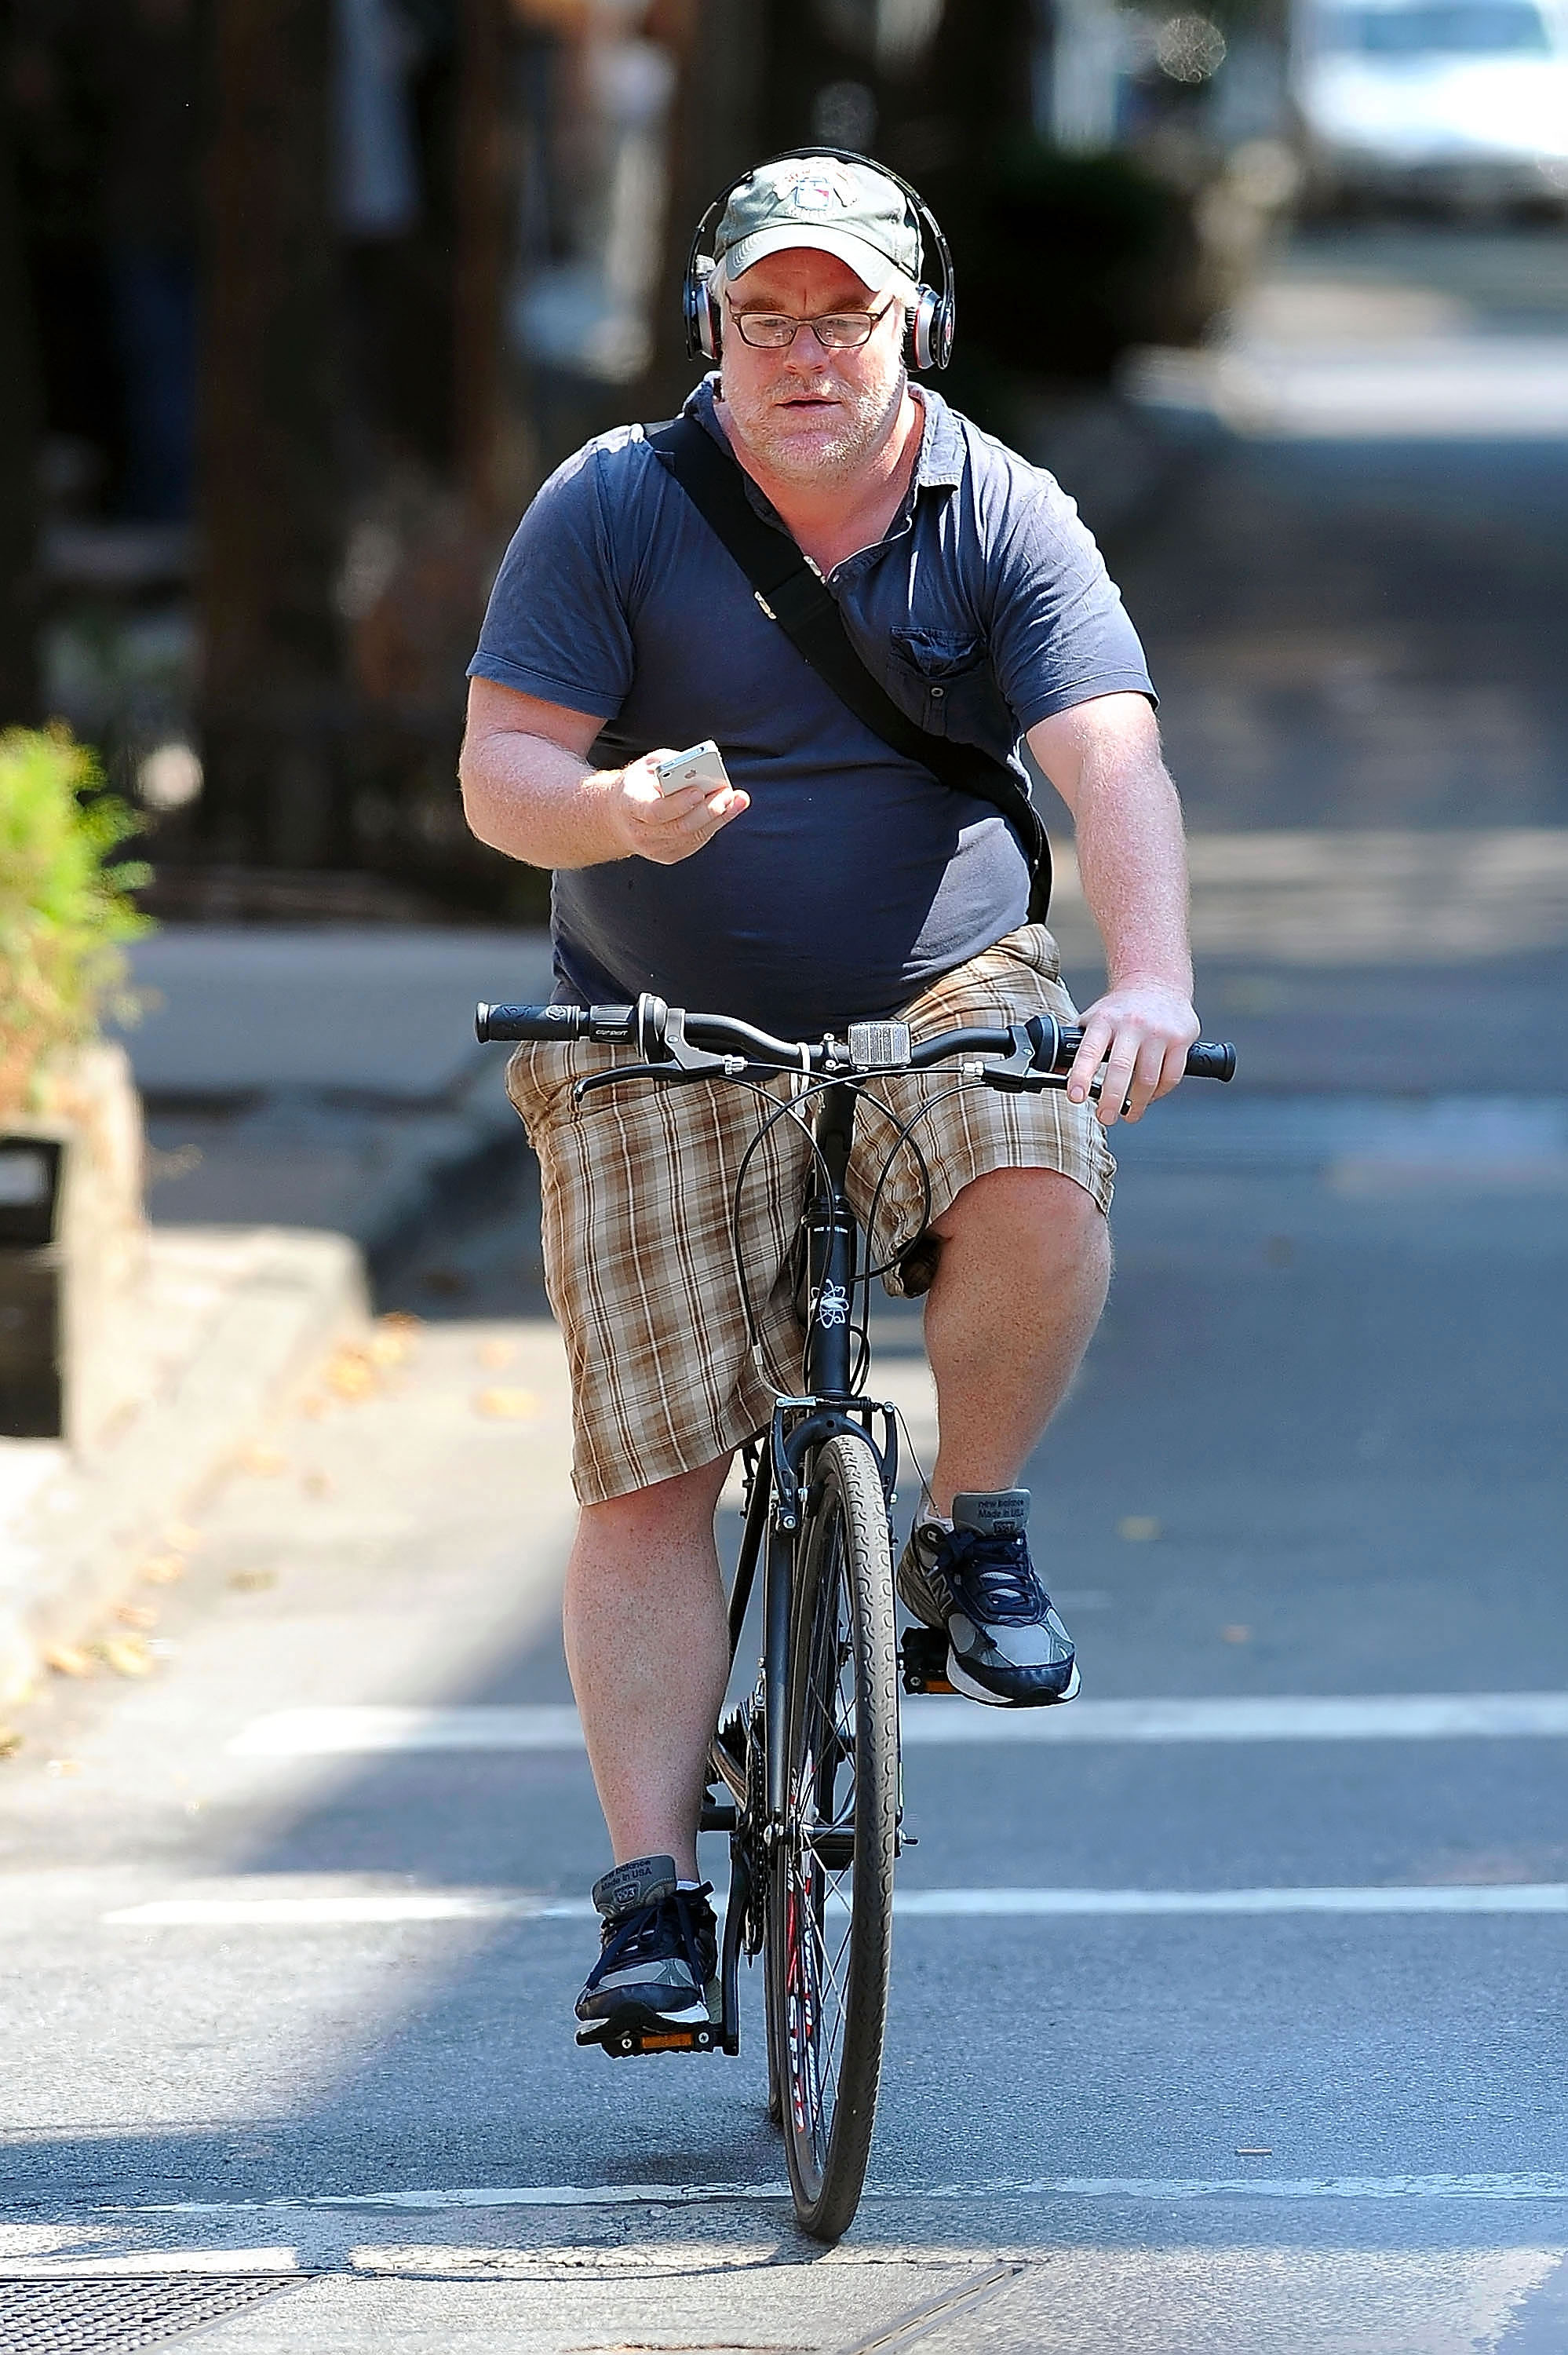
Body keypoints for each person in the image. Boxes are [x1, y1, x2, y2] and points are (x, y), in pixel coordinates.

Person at [460, 151, 1199, 2039]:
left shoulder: (999, 507)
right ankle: (651, 1898)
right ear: (710, 326)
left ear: (913, 327)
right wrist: (611, 811)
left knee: (1043, 1163)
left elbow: (1107, 753)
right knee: (649, 1467)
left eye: (844, 313)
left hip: (940, 987)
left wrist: (1155, 976)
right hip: (651, 1019)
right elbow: (499, 771)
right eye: (765, 315)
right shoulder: (614, 506)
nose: (806, 351)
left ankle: (973, 1527)